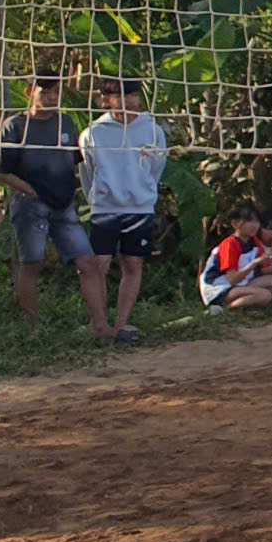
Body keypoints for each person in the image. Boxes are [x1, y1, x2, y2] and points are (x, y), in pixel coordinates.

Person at [0, 71, 108, 339]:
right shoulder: (14, 126)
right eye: (45, 92)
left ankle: (101, 327)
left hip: (64, 205)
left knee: (88, 263)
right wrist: (29, 190)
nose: (53, 98)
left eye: (56, 92)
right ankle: (33, 331)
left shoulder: (65, 122)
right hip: (30, 206)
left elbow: (75, 162)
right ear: (29, 93)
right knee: (32, 264)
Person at [81, 75, 169, 346]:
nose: (128, 101)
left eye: (132, 94)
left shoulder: (152, 130)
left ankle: (122, 323)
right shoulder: (93, 132)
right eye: (120, 95)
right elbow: (86, 172)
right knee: (98, 265)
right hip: (105, 208)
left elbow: (157, 168)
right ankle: (99, 323)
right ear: (106, 99)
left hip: (139, 208)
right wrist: (99, 198)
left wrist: (142, 193)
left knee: (133, 263)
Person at [199, 205, 272, 310]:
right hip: (220, 288)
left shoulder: (253, 241)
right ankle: (226, 308)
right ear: (235, 224)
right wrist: (255, 262)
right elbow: (232, 279)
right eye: (248, 221)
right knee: (265, 295)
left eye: (256, 221)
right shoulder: (230, 244)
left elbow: (261, 270)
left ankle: (248, 300)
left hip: (240, 284)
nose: (254, 225)